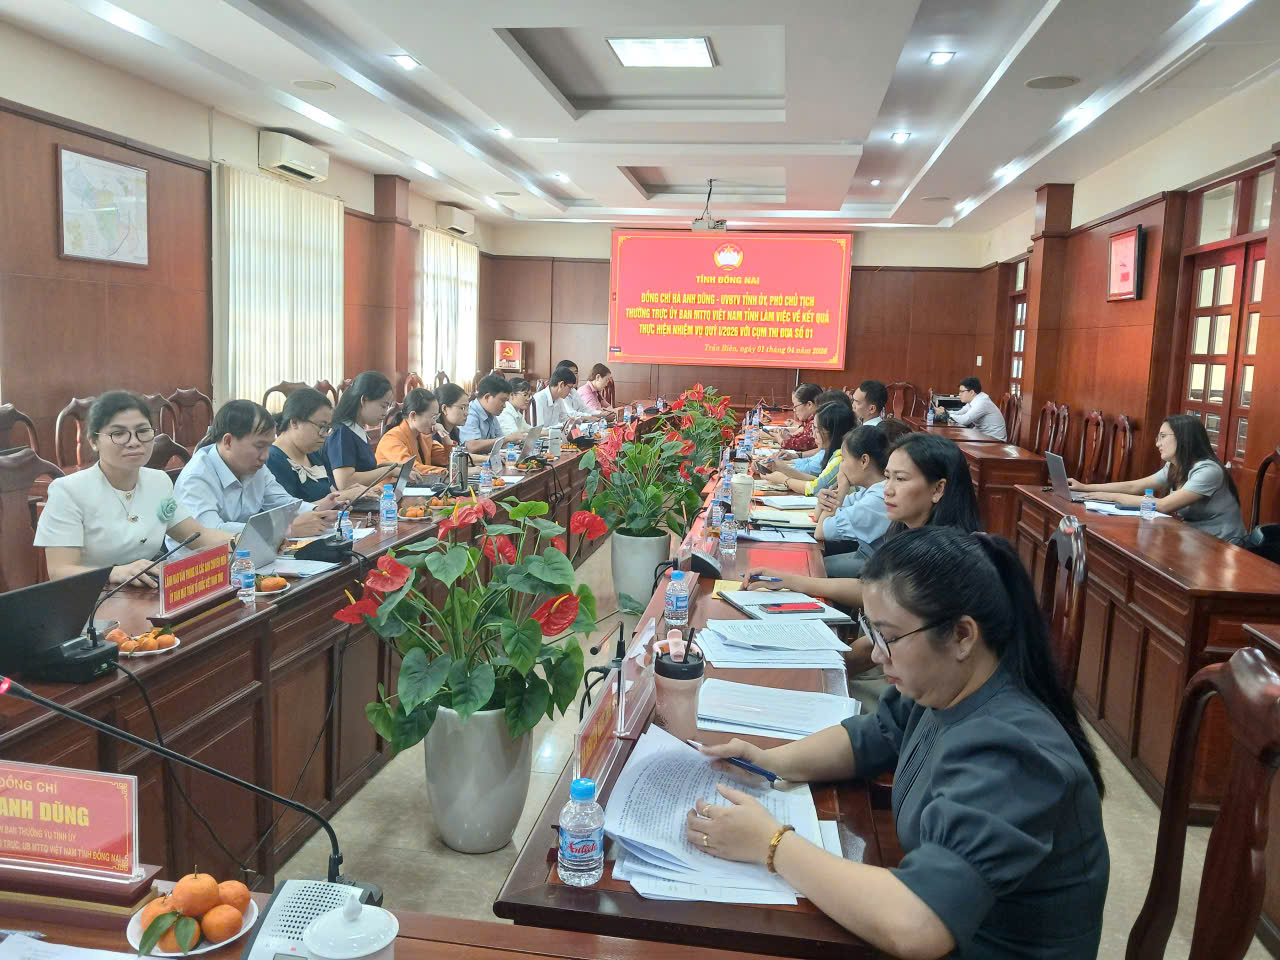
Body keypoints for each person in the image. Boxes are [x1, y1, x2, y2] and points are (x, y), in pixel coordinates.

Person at [691, 526, 1108, 959]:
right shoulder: (944, 684)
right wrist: (769, 762)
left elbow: (918, 924)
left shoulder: (1010, 752)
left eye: (888, 637)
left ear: (962, 636)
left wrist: (772, 844)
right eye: (873, 632)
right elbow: (872, 736)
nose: (875, 654)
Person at [744, 433, 981, 610]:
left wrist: (791, 581)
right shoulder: (908, 534)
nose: (887, 490)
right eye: (887, 477)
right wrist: (787, 580)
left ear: (938, 489)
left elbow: (877, 596)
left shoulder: (945, 556)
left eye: (900, 479)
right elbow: (873, 589)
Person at [35, 391, 233, 586]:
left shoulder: (158, 481)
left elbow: (197, 535)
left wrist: (240, 541)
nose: (134, 442)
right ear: (93, 441)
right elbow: (59, 571)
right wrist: (113, 573)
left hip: (143, 594)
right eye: (118, 433)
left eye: (143, 431)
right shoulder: (68, 491)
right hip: (90, 597)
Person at [1069, 413, 1246, 544]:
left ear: (1184, 438)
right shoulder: (1175, 466)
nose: (1157, 443)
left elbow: (1163, 505)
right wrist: (1084, 487)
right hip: (1194, 539)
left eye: (1163, 437)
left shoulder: (1208, 471)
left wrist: (1110, 497)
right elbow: (1133, 486)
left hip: (1222, 544)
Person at [174, 400, 339, 541]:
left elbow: (282, 502)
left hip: (247, 553)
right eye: (260, 446)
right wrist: (285, 530)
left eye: (269, 446)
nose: (265, 456)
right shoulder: (196, 477)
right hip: (198, 563)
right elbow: (210, 533)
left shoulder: (254, 466)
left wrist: (316, 513)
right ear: (228, 441)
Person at [814, 425, 892, 578]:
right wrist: (824, 501)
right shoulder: (868, 490)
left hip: (878, 565)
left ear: (864, 461)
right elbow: (818, 517)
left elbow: (820, 532)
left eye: (844, 459)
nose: (841, 466)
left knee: (814, 568)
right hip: (864, 553)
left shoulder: (878, 498)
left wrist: (842, 489)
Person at [268, 388, 361, 503]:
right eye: (322, 427)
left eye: (328, 429)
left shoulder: (312, 454)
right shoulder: (273, 460)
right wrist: (344, 496)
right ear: (294, 422)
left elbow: (330, 494)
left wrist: (353, 493)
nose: (325, 435)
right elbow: (288, 511)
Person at [325, 371, 399, 491]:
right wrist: (388, 471)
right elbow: (345, 482)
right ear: (364, 400)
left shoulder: (357, 430)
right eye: (383, 406)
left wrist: (394, 467)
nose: (385, 413)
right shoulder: (342, 433)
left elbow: (363, 469)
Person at [764, 402, 855, 495]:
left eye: (816, 430)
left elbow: (814, 489)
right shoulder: (833, 452)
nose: (813, 435)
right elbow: (818, 481)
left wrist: (784, 480)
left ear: (831, 432)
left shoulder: (840, 459)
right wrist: (784, 469)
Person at [376, 388, 446, 479]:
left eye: (436, 417)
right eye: (432, 417)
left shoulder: (424, 436)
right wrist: (445, 472)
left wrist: (446, 437)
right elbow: (411, 468)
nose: (434, 422)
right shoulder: (391, 439)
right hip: (390, 488)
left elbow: (445, 459)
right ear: (413, 416)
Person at [459, 374, 525, 454]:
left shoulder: (491, 414)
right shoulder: (470, 414)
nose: (504, 405)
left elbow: (500, 442)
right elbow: (472, 446)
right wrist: (507, 438)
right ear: (487, 397)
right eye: (502, 400)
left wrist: (516, 447)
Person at [935, 377, 1006, 440]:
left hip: (994, 439)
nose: (959, 394)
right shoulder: (973, 400)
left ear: (972, 392)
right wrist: (945, 411)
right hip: (982, 436)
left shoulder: (982, 402)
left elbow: (965, 420)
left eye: (962, 391)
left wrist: (947, 414)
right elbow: (960, 412)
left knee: (955, 439)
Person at [431, 382, 469, 468]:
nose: (467, 413)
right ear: (444, 409)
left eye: (468, 407)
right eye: (462, 408)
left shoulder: (454, 431)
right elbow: (446, 465)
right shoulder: (435, 433)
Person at [775, 383, 821, 454]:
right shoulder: (809, 420)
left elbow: (802, 443)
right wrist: (789, 436)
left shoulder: (817, 421)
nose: (794, 410)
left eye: (796, 406)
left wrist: (779, 438)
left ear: (809, 405)